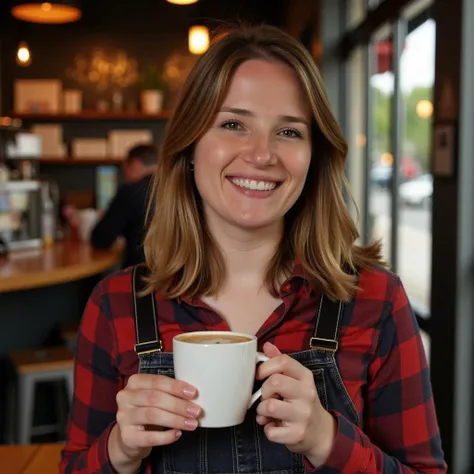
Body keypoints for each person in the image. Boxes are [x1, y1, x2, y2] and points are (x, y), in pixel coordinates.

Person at [60, 25, 446, 474]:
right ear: (189, 146)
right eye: (233, 124)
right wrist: (119, 451)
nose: (262, 154)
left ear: (313, 157)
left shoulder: (375, 300)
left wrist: (327, 440)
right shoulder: (116, 305)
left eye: (289, 131)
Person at [90, 143, 157, 267]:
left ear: (135, 164)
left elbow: (100, 239)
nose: (125, 175)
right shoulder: (175, 191)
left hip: (139, 276)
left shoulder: (131, 192)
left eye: (125, 168)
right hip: (176, 276)